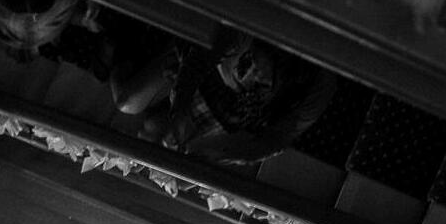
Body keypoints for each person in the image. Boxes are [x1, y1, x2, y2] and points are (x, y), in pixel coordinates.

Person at [112, 28, 337, 166]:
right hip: (203, 76)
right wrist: (180, 107)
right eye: (247, 64)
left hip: (220, 110)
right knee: (130, 105)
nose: (249, 75)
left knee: (153, 137)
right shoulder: (248, 34)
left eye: (260, 81)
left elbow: (280, 137)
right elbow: (198, 61)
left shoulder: (316, 85)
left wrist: (234, 154)